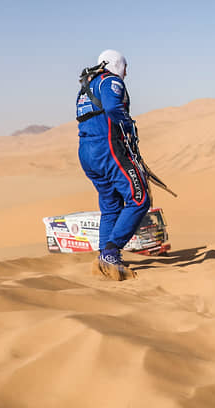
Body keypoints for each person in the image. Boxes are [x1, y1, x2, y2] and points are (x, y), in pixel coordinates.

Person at [76, 49, 150, 280]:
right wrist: (128, 124)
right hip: (107, 149)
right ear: (117, 64)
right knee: (139, 198)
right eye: (125, 67)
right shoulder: (110, 81)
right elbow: (111, 108)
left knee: (111, 206)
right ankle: (110, 253)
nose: (125, 73)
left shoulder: (86, 86)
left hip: (87, 152)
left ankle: (104, 259)